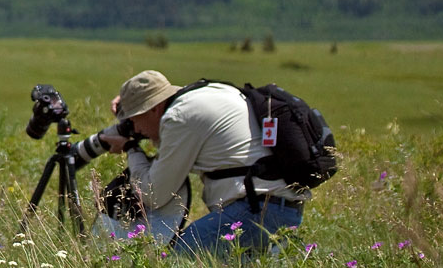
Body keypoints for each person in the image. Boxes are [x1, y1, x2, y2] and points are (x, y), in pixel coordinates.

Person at [98, 70, 307, 255]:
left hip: (256, 210)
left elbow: (154, 195)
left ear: (153, 108)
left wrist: (130, 148)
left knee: (179, 259)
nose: (135, 128)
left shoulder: (179, 117)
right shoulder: (203, 95)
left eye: (134, 119)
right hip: (282, 209)